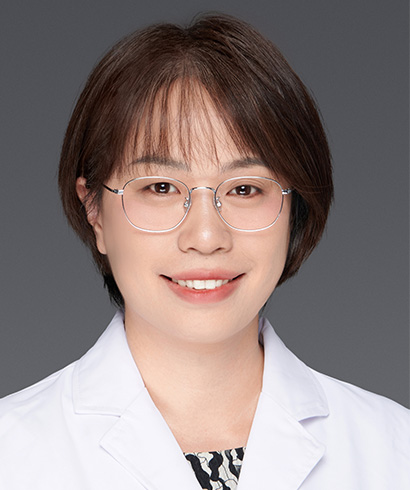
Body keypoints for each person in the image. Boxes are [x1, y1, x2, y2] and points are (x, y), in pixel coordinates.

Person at [0, 13, 408, 490]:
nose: (207, 236)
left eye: (244, 189)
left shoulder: (393, 450)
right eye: (161, 187)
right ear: (94, 210)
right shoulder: (12, 454)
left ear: (294, 208)